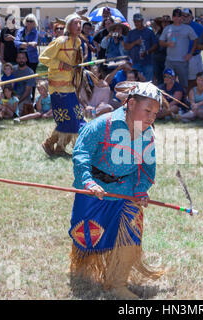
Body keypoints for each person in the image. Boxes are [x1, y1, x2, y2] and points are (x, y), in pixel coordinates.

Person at [70, 82, 165, 300]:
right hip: (95, 190)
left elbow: (146, 167)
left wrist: (140, 190)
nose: (151, 117)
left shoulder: (147, 134)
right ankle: (84, 265)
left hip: (126, 192)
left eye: (155, 113)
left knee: (131, 234)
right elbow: (81, 153)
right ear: (131, 104)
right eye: (147, 110)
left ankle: (117, 283)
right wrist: (88, 182)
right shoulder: (103, 125)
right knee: (88, 237)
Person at [39, 13, 87, 157]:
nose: (79, 26)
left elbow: (75, 63)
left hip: (70, 86)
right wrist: (60, 64)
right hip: (58, 88)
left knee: (77, 118)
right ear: (68, 26)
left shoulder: (77, 42)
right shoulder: (60, 41)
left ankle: (60, 147)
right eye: (75, 23)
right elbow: (43, 58)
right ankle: (49, 143)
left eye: (80, 23)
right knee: (68, 118)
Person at [159, 8, 198, 92]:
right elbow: (161, 42)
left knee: (184, 84)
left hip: (182, 61)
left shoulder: (187, 28)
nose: (177, 18)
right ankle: (168, 101)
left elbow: (195, 40)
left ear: (182, 17)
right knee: (167, 83)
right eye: (175, 16)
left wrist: (190, 53)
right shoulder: (167, 28)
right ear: (172, 18)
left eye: (179, 16)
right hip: (170, 61)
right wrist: (168, 44)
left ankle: (183, 102)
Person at [124, 13, 158, 82]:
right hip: (135, 62)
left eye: (138, 21)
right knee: (135, 83)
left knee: (148, 83)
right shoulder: (131, 33)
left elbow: (155, 45)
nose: (137, 23)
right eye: (135, 21)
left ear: (142, 21)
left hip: (148, 62)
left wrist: (147, 52)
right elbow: (126, 47)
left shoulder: (149, 32)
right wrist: (135, 43)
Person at [182, 8, 203, 90]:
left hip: (194, 57)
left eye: (187, 15)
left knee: (194, 80)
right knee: (182, 80)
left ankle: (193, 99)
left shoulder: (198, 27)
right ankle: (185, 100)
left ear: (191, 17)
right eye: (183, 15)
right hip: (181, 58)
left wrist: (201, 47)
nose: (184, 17)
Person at [12, 51, 35, 116]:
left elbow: (27, 91)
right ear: (16, 59)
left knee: (15, 112)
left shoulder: (30, 72)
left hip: (24, 99)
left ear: (26, 59)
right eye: (19, 58)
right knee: (3, 107)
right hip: (13, 97)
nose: (21, 60)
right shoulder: (13, 69)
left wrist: (18, 101)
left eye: (23, 58)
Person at [152, 17, 167, 85]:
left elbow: (173, 42)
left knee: (164, 77)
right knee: (158, 78)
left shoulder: (167, 33)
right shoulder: (158, 33)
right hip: (156, 58)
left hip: (164, 58)